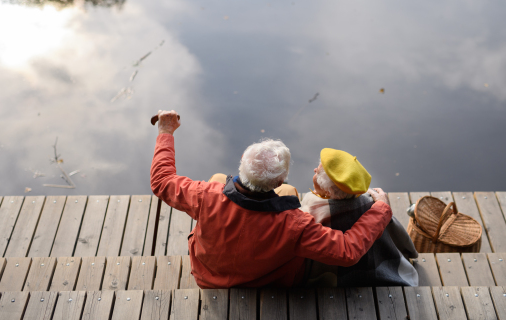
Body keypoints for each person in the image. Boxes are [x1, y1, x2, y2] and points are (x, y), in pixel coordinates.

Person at [150, 110, 394, 288]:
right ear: (280, 181)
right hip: (270, 283)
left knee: (216, 179)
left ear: (242, 162)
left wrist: (165, 132)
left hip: (207, 278)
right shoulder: (296, 224)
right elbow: (347, 251)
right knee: (291, 196)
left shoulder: (205, 196)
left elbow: (161, 181)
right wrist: (380, 209)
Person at [300, 148, 418, 287]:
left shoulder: (311, 209)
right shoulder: (374, 204)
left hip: (332, 278)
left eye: (317, 172)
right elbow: (398, 235)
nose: (314, 170)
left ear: (327, 190)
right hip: (377, 272)